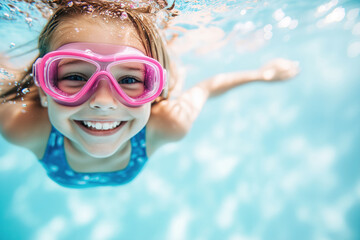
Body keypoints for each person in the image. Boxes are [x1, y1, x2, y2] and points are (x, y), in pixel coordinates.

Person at [0, 0, 299, 188]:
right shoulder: (20, 126)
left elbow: (205, 88)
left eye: (129, 79)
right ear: (43, 90)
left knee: (176, 71)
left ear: (153, 92)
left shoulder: (167, 123)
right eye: (75, 77)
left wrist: (263, 74)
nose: (103, 101)